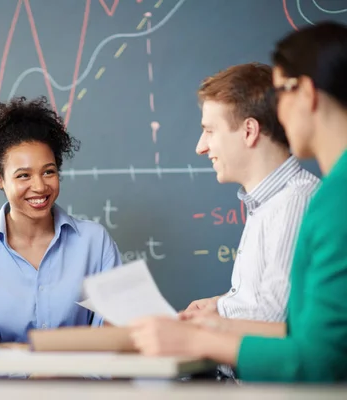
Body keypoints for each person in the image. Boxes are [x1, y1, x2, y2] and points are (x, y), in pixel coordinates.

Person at [130, 21, 347, 382]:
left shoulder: (326, 200)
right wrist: (216, 318)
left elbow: (318, 356)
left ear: (306, 93)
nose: (277, 111)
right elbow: (301, 330)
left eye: (281, 94)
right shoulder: (323, 195)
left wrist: (199, 338)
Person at [0, 96, 122, 343]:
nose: (40, 186)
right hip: (6, 383)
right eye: (23, 175)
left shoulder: (94, 243)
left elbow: (113, 339)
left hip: (77, 381)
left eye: (49, 171)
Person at [185, 62, 319, 323]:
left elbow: (274, 316)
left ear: (249, 131)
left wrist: (220, 311)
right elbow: (271, 299)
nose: (201, 147)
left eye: (209, 131)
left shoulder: (294, 203)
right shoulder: (267, 204)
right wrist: (221, 303)